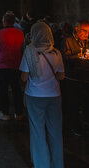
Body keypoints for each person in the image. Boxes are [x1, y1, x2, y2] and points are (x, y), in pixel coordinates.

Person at [20, 22, 65, 168]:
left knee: (38, 131)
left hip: (35, 95)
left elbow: (24, 77)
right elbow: (61, 76)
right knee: (56, 131)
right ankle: (58, 164)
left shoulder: (30, 52)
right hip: (54, 95)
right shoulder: (56, 53)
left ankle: (42, 164)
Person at [62, 21, 89, 136]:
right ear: (76, 29)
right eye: (84, 30)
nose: (87, 34)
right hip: (72, 77)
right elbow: (66, 56)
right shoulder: (68, 41)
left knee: (87, 102)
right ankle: (74, 126)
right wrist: (80, 56)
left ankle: (87, 125)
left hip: (85, 78)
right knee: (73, 103)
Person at [0, 13, 24, 120]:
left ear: (4, 21)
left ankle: (4, 113)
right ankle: (18, 113)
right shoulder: (20, 33)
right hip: (16, 64)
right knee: (16, 90)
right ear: (14, 22)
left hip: (2, 65)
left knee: (3, 89)